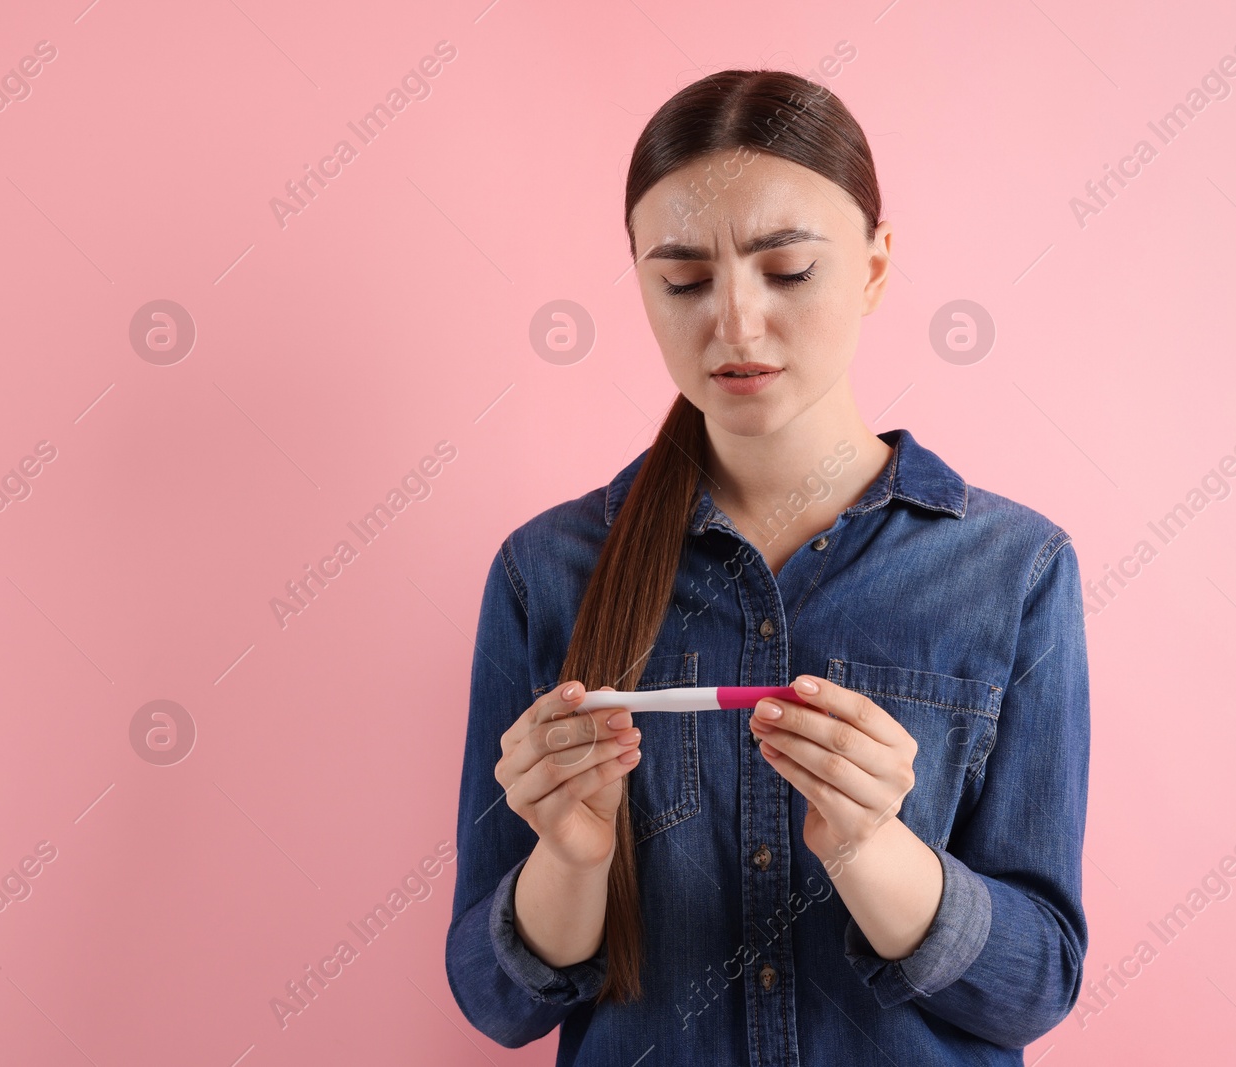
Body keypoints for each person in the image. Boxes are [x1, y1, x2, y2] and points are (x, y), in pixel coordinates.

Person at [445, 69, 1090, 1065]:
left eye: (786, 270)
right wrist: (570, 858)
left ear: (875, 266)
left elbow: (1035, 987)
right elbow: (496, 1004)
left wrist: (872, 847)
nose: (736, 326)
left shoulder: (1014, 569)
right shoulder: (547, 571)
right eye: (682, 279)